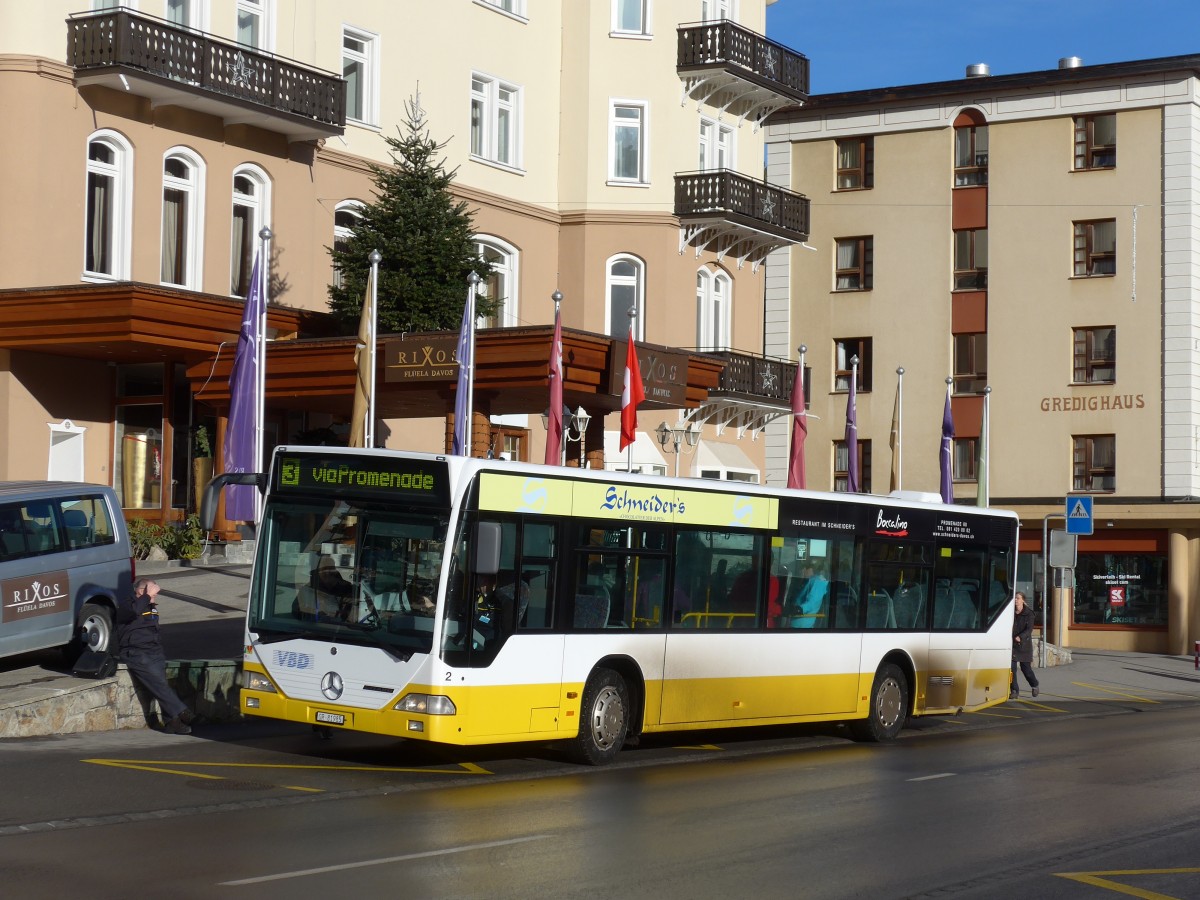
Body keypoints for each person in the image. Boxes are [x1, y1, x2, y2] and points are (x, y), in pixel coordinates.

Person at [116, 578, 193, 735]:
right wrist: (146, 596)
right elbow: (133, 612)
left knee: (160, 685)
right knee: (159, 685)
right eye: (152, 593)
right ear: (141, 591)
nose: (155, 596)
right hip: (135, 652)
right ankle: (182, 711)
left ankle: (172, 723)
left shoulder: (150, 606)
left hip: (154, 651)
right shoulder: (126, 604)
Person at [1011, 591, 1040, 699]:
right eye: (1014, 598)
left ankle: (1034, 685)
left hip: (1024, 645)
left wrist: (1021, 637)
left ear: (1023, 600)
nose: (1015, 600)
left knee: (1026, 669)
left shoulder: (1029, 613)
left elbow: (1029, 629)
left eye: (1018, 598)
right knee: (1011, 669)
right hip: (1012, 645)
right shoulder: (1010, 612)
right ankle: (1014, 690)